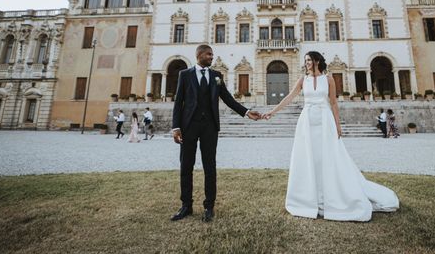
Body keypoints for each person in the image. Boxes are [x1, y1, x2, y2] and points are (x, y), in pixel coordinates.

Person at [263, 51, 399, 222]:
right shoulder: (302, 79)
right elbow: (289, 97)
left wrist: (338, 125)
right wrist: (272, 112)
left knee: (328, 157)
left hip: (325, 120)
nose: (307, 63)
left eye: (309, 60)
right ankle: (309, 197)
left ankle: (332, 196)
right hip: (307, 122)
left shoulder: (328, 79)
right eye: (305, 61)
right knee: (309, 157)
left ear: (317, 61)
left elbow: (333, 103)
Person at [170, 44, 262, 222]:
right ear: (199, 55)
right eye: (209, 54)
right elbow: (178, 102)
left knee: (210, 167)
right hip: (188, 126)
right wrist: (176, 127)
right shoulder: (185, 75)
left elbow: (227, 98)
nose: (212, 57)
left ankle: (209, 207)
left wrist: (246, 112)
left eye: (212, 55)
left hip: (210, 127)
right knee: (186, 167)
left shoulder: (216, 76)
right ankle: (186, 206)